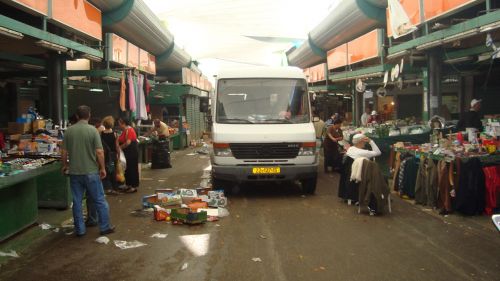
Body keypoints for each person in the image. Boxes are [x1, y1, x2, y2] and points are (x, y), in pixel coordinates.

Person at [61, 105, 114, 237]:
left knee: (77, 201)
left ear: (77, 116)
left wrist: (64, 165)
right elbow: (100, 152)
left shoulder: (69, 131)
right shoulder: (93, 131)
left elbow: (63, 152)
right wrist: (102, 168)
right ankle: (105, 227)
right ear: (89, 116)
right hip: (91, 172)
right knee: (99, 200)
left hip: (74, 173)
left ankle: (80, 230)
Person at [117, 117, 139, 193]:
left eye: (119, 123)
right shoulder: (125, 130)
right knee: (127, 169)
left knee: (132, 169)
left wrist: (119, 147)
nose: (118, 125)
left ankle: (133, 186)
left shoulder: (129, 130)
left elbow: (128, 142)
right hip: (127, 152)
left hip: (131, 152)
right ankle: (128, 185)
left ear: (123, 123)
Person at [100, 116, 121, 195]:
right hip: (112, 155)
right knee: (113, 171)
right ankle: (114, 188)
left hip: (104, 155)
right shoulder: (115, 134)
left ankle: (107, 188)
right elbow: (117, 146)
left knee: (105, 170)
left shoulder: (101, 134)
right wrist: (118, 155)